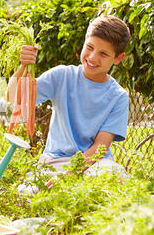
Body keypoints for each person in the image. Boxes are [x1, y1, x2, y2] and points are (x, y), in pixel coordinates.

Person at [8, 15, 131, 193]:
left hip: (94, 165)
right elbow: (15, 98)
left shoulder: (118, 96)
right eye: (89, 47)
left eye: (104, 54)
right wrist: (23, 66)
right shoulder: (61, 76)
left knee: (113, 173)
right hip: (54, 162)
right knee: (26, 191)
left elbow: (100, 147)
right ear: (84, 43)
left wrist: (70, 175)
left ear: (118, 58)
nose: (93, 57)